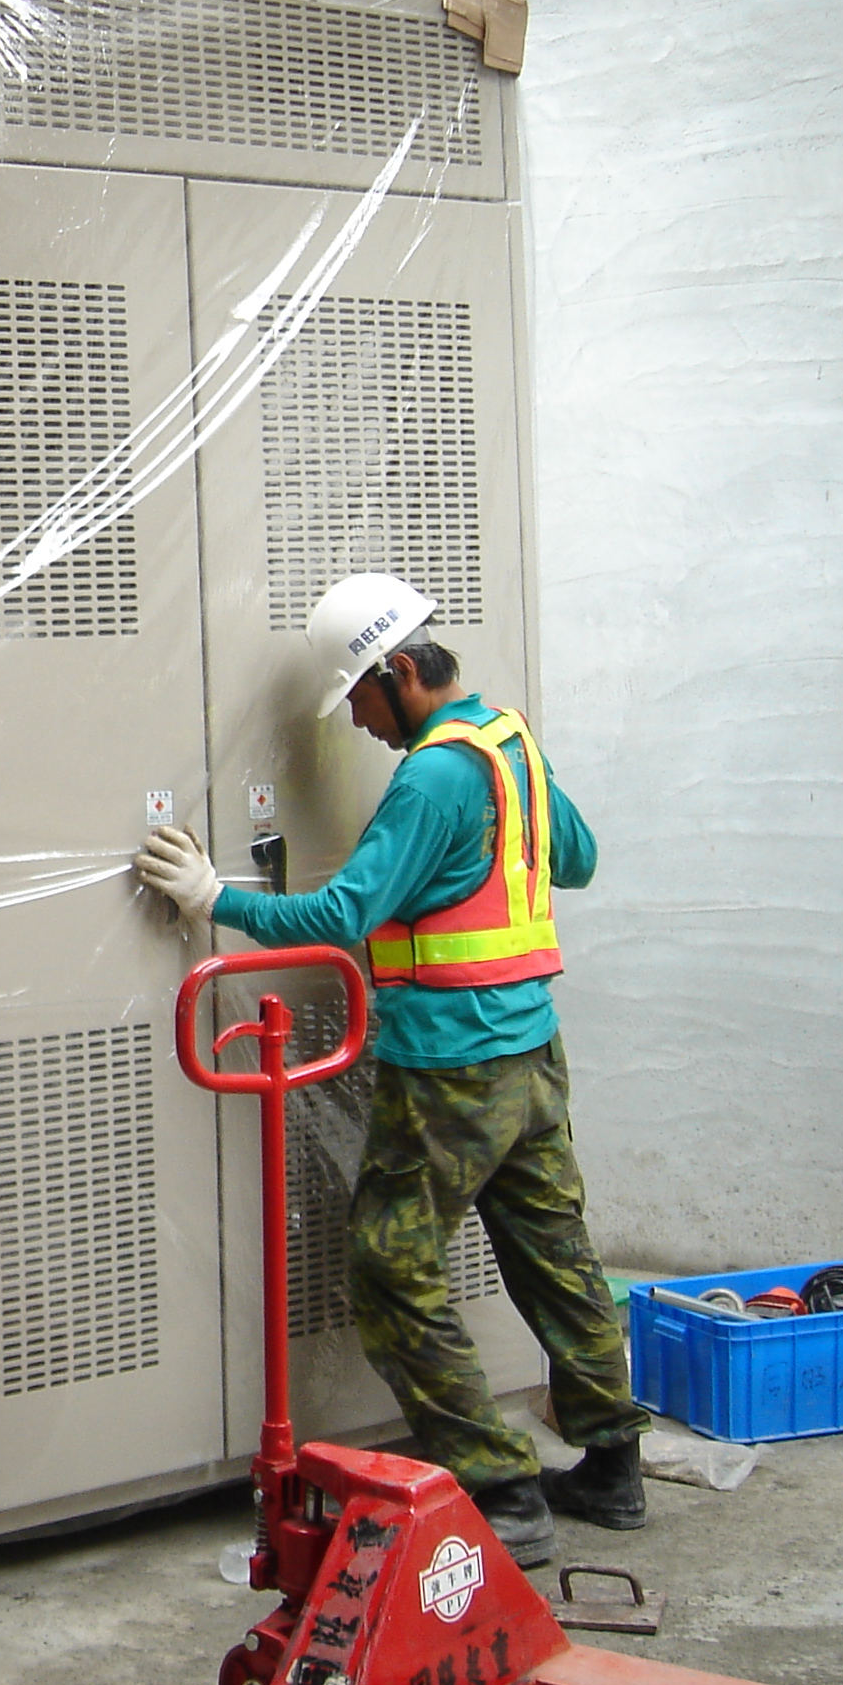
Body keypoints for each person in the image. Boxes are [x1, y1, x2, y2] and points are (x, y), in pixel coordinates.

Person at [134, 573, 649, 1569]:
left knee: (388, 1272)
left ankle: (502, 1488)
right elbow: (577, 859)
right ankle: (613, 1466)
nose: (358, 723)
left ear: (400, 670)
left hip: (452, 1070)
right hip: (533, 1056)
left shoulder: (431, 778)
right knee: (554, 1254)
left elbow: (342, 916)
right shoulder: (509, 744)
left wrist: (211, 897)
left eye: (360, 698)